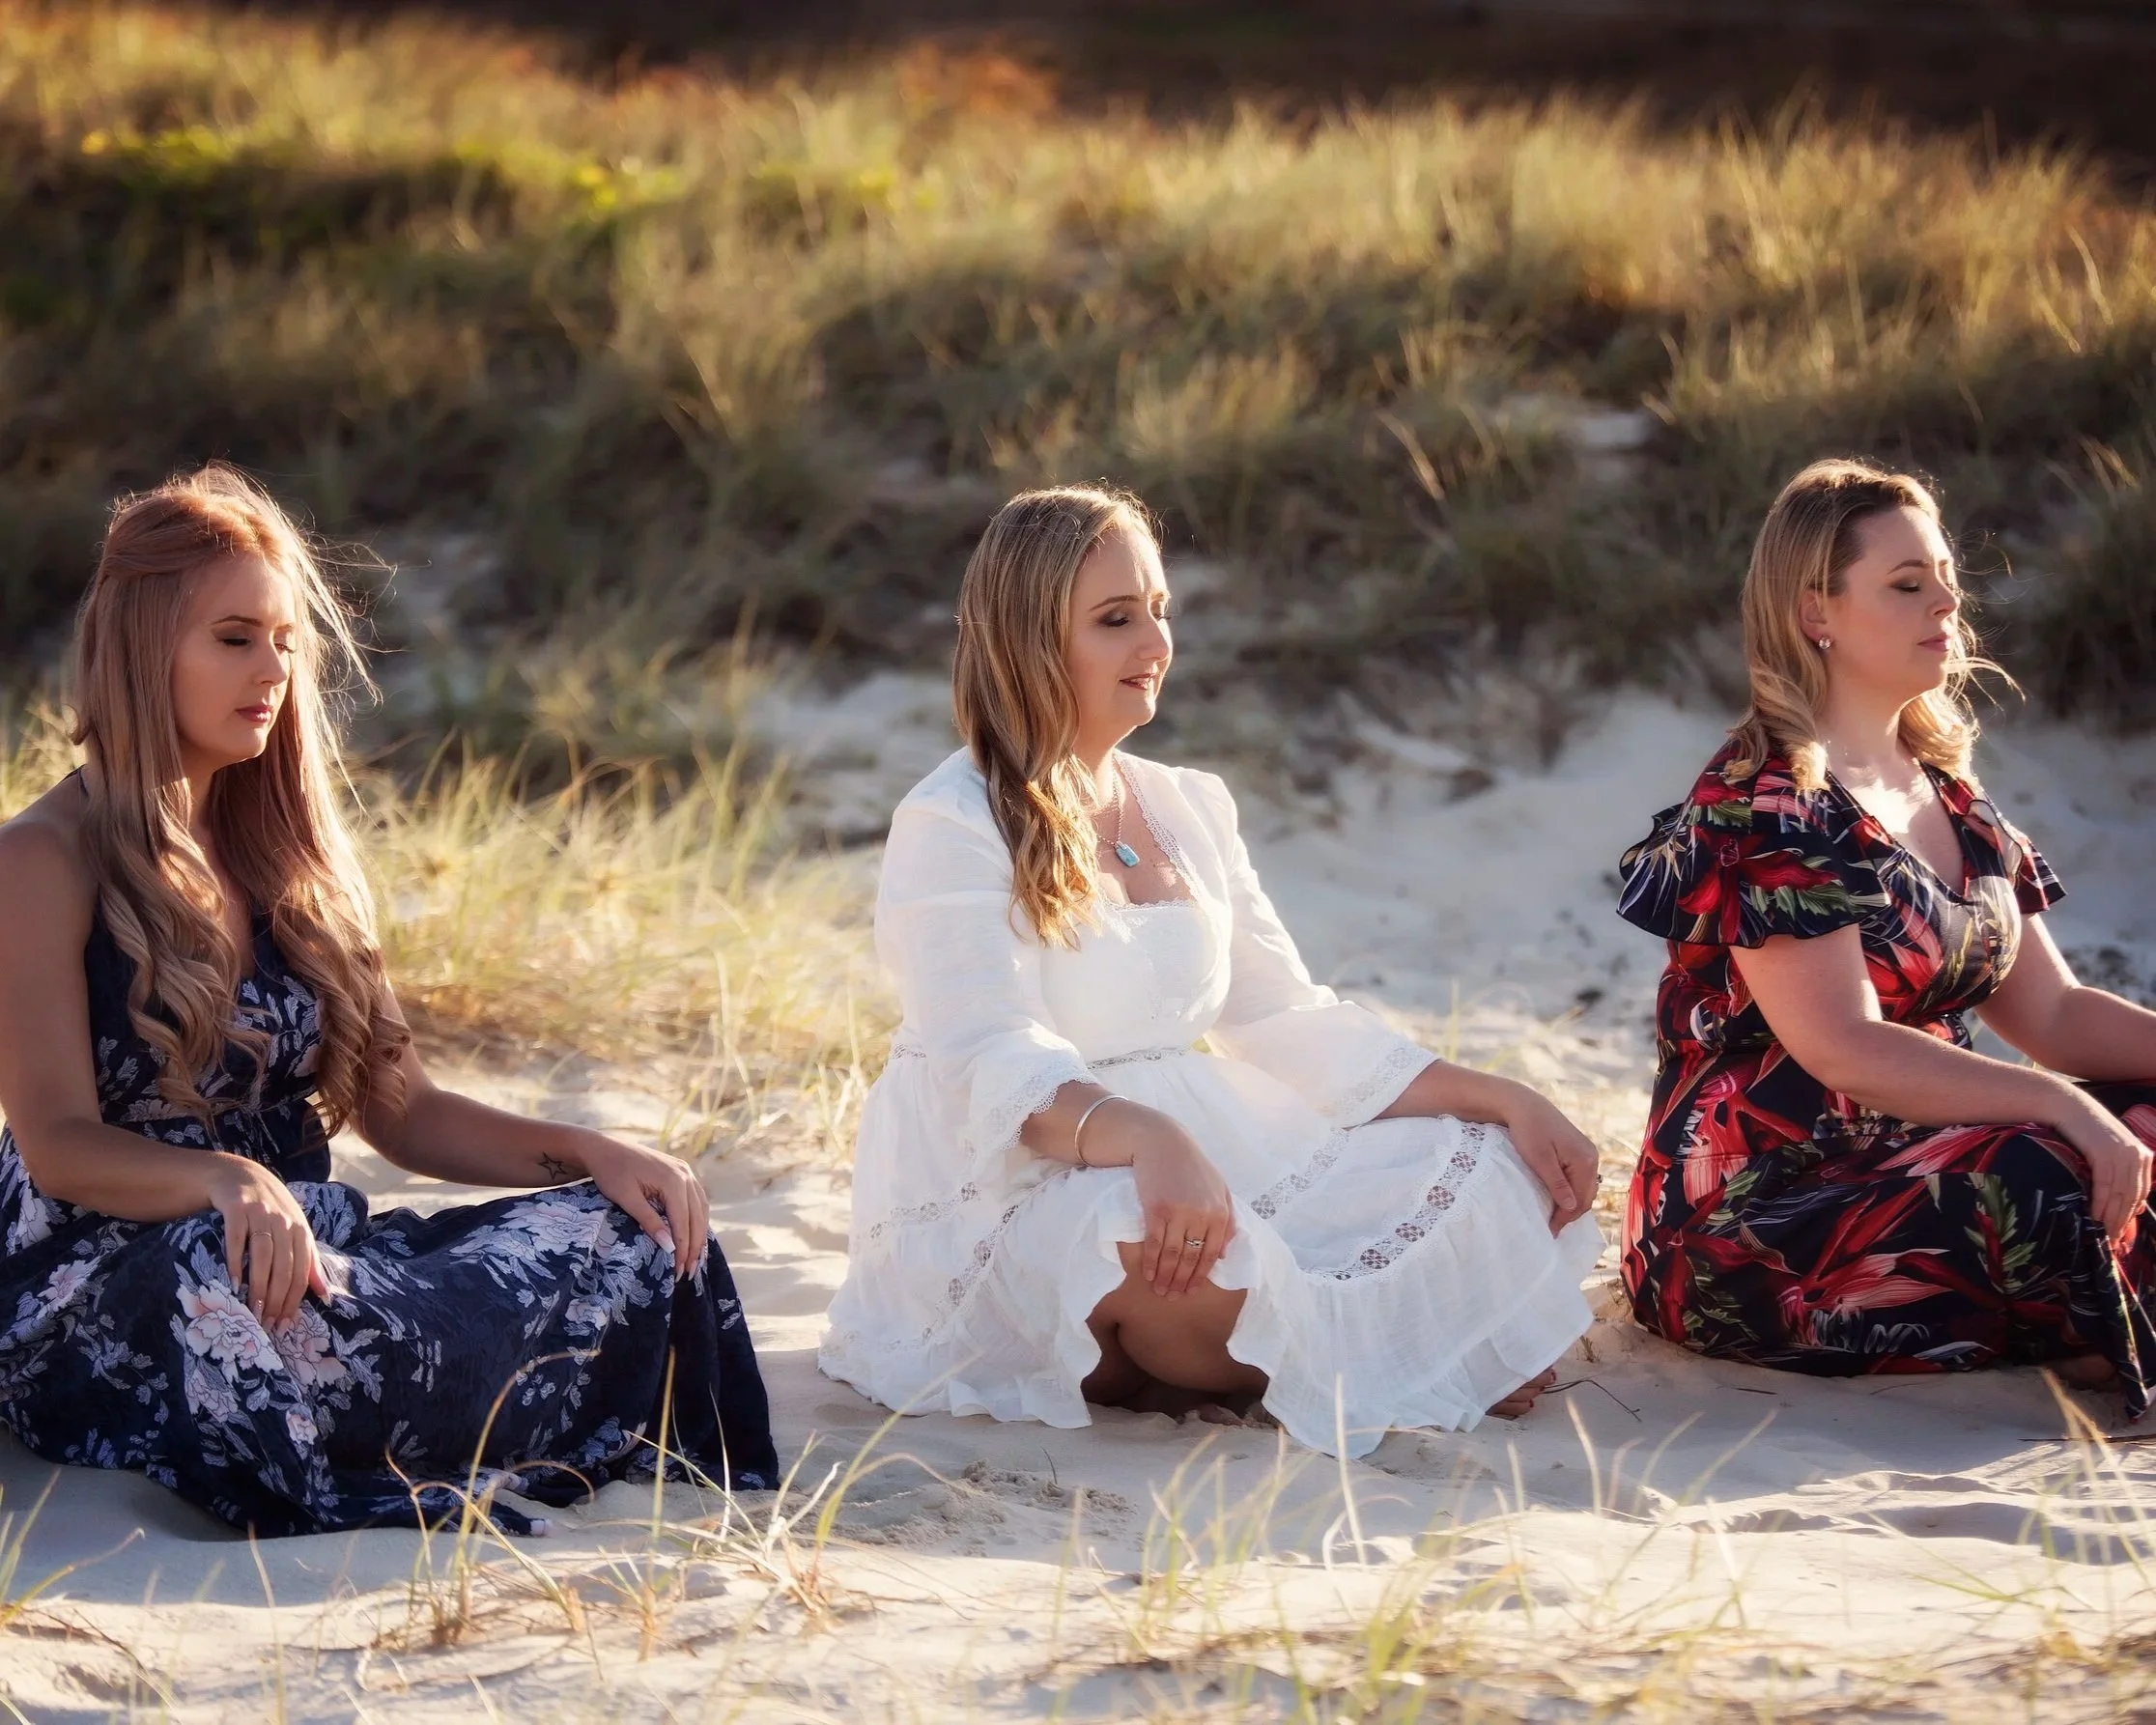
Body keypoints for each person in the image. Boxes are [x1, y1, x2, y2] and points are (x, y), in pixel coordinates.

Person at [0, 466, 778, 1537]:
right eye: (234, 636)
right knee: (216, 1288)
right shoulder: (43, 858)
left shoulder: (290, 859)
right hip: (112, 1281)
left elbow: (404, 1110)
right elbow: (57, 1147)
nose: (271, 670)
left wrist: (591, 1149)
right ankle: (401, 1414)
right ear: (141, 646)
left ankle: (403, 1402)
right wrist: (225, 1180)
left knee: (635, 1230)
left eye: (285, 640)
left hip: (306, 1260)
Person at [819, 486, 1603, 1456]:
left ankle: (1323, 1356)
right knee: (1153, 1242)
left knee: (1485, 1163)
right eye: (1115, 619)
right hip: (1022, 1177)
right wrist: (1145, 1135)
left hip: (1196, 1146)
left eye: (1159, 610)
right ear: (1029, 640)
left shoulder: (1188, 806)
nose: (1154, 643)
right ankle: (1399, 1355)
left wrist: (1501, 1097)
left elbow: (1282, 1016)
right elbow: (991, 1061)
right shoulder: (954, 820)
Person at [1615, 458, 2156, 1413]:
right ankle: (2088, 1326)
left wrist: (2091, 1098)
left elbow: (2058, 1016)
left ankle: (2083, 1323)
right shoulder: (1766, 802)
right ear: (1815, 610)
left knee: (2139, 1118)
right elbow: (1844, 1047)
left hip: (1935, 1152)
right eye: (1906, 585)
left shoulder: (1948, 790)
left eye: (1944, 575)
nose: (1944, 601)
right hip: (1767, 1215)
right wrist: (2063, 1108)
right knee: (2050, 1164)